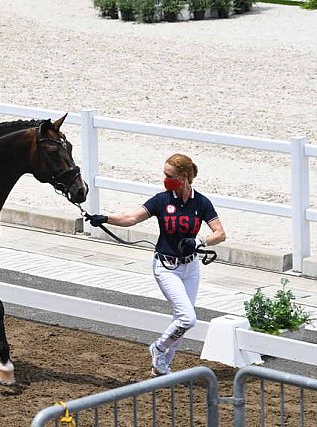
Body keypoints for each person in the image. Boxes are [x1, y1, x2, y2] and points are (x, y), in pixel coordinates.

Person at [86, 153, 226, 377]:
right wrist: (104, 218)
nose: (165, 179)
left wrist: (199, 241)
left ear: (183, 177)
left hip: (190, 269)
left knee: (179, 320)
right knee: (187, 318)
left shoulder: (201, 202)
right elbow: (132, 218)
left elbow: (220, 234)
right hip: (165, 267)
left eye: (168, 175)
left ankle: (160, 368)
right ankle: (159, 348)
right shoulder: (162, 200)